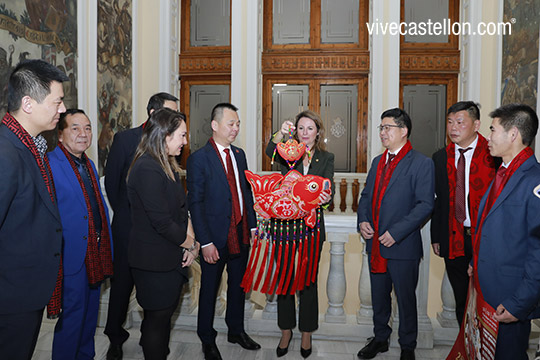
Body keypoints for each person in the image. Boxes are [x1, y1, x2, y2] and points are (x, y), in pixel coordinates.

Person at [0, 59, 68, 359]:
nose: (62, 109)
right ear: (28, 104)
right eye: (58, 101)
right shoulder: (6, 153)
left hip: (24, 293)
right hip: (10, 298)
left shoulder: (28, 145)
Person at [104, 92, 178, 360]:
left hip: (158, 237)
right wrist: (131, 216)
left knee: (156, 294)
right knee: (121, 288)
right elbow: (112, 184)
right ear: (153, 113)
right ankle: (115, 337)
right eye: (171, 113)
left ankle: (154, 338)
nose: (177, 119)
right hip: (127, 229)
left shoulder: (170, 143)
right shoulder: (125, 140)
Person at [357, 108, 434, 360]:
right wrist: (363, 220)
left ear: (404, 131)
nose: (382, 132)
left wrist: (397, 232)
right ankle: (380, 338)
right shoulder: (378, 162)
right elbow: (366, 196)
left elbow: (425, 205)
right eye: (381, 127)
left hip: (402, 246)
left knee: (405, 299)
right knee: (379, 298)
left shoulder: (422, 163)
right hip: (376, 244)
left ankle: (408, 346)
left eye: (387, 127)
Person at [187, 103, 260, 360]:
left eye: (238, 123)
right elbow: (195, 203)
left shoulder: (239, 154)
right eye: (231, 123)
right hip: (214, 238)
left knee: (239, 287)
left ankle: (236, 331)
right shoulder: (198, 158)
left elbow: (245, 193)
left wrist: (252, 225)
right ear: (215, 125)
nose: (236, 128)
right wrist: (204, 242)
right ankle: (207, 338)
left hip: (240, 234)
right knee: (209, 289)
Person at [127, 108, 199, 359]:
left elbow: (182, 209)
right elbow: (161, 222)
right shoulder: (147, 168)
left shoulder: (166, 164)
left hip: (170, 257)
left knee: (163, 318)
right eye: (181, 135)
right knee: (156, 323)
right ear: (165, 135)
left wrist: (190, 244)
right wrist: (190, 244)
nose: (185, 142)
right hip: (153, 262)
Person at [472, 103, 540, 359]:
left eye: (493, 130)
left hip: (509, 300)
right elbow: (491, 227)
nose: (488, 138)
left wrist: (519, 303)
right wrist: (474, 261)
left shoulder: (534, 180)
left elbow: (538, 251)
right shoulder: (502, 172)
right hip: (487, 293)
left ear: (513, 135)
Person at [265, 110, 334, 358]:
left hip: (311, 228)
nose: (305, 133)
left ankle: (306, 332)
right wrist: (280, 134)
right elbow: (268, 152)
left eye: (310, 129)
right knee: (284, 278)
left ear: (318, 132)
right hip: (283, 226)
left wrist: (325, 199)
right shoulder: (286, 152)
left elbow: (328, 189)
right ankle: (286, 330)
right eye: (300, 128)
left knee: (308, 281)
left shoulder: (326, 158)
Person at [48, 109, 114, 359]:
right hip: (71, 258)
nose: (83, 134)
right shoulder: (50, 165)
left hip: (95, 254)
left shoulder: (88, 164)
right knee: (72, 322)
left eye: (87, 128)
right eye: (75, 128)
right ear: (61, 134)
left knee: (89, 319)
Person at [431, 101, 498, 326]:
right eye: (450, 122)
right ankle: (467, 346)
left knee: (488, 298)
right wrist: (436, 237)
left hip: (487, 240)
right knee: (462, 298)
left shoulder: (494, 154)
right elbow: (438, 200)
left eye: (460, 122)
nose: (453, 128)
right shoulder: (441, 157)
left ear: (476, 124)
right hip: (453, 237)